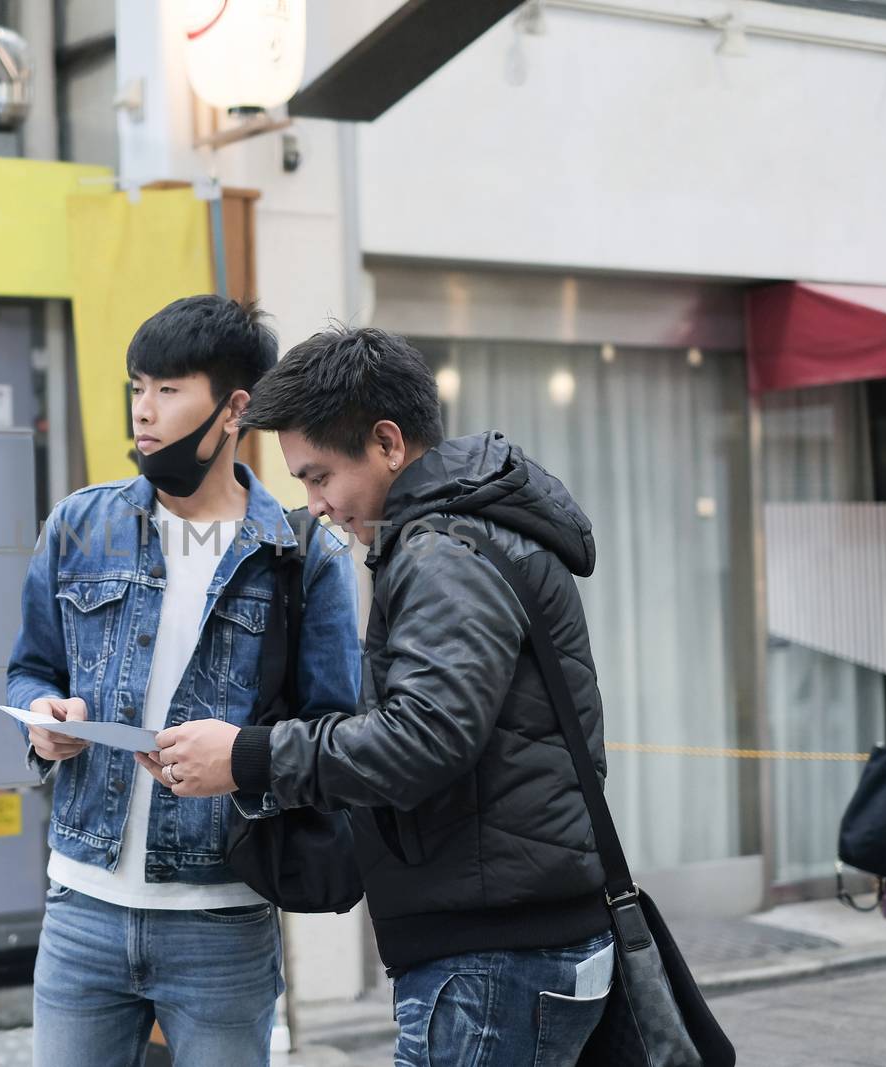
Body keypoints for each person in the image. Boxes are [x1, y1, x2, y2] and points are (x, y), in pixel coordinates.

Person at [150, 326, 615, 1067]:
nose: (317, 504)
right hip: (514, 936)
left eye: (320, 476)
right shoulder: (468, 529)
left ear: (390, 444)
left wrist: (249, 755)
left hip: (491, 954)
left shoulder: (442, 551)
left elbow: (424, 738)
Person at [6, 295, 362, 1067]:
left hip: (222, 920)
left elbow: (336, 736)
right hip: (81, 908)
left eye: (168, 390)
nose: (144, 411)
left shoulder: (301, 556)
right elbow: (31, 665)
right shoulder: (78, 525)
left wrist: (240, 760)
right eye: (138, 387)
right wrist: (43, 717)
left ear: (234, 408)